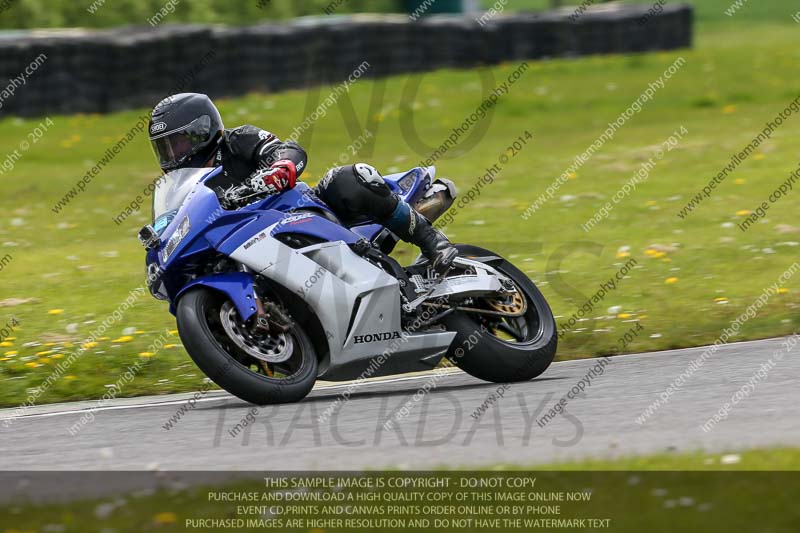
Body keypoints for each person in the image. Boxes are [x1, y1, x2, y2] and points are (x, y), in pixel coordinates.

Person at [148, 92, 457, 272]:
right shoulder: (180, 188)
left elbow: (286, 150)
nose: (174, 153)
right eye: (166, 147)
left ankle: (434, 244)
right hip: (244, 245)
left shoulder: (237, 140)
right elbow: (175, 223)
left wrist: (279, 167)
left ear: (202, 131)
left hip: (299, 213)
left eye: (178, 143)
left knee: (346, 178)